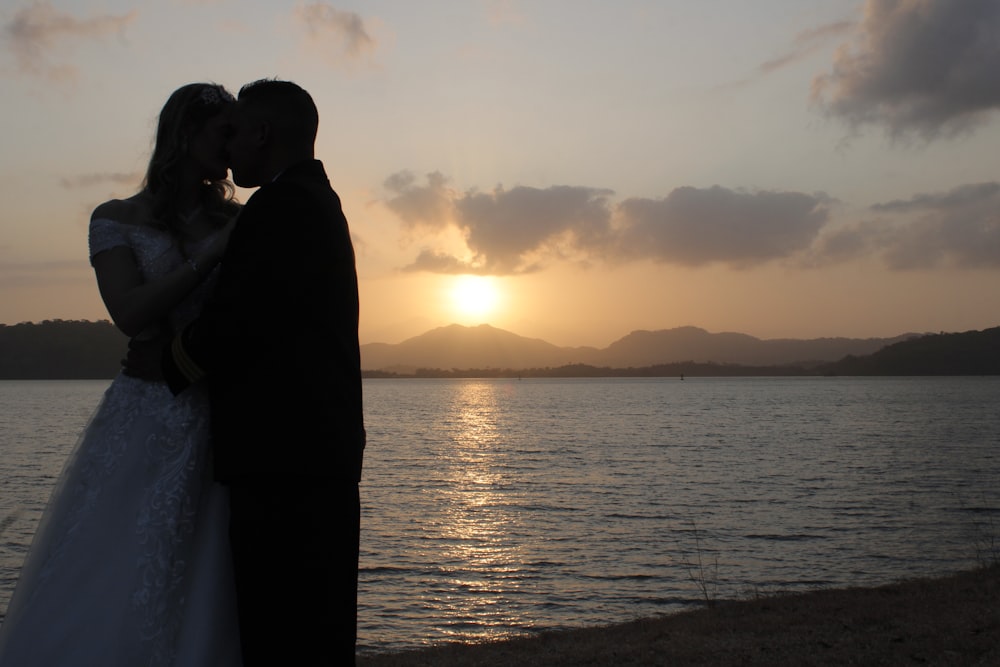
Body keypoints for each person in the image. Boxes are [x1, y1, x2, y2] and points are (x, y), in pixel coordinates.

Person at [0, 83, 243, 666]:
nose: (233, 148)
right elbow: (129, 312)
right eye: (223, 133)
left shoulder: (239, 218)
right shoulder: (115, 219)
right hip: (146, 409)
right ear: (185, 135)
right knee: (122, 553)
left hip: (222, 412)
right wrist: (209, 255)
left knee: (211, 562)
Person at [160, 79, 366, 665]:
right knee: (312, 627)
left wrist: (168, 358)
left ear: (262, 133)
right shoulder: (310, 199)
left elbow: (241, 320)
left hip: (283, 460)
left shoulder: (280, 207)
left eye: (236, 134)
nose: (229, 152)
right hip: (310, 454)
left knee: (283, 629)